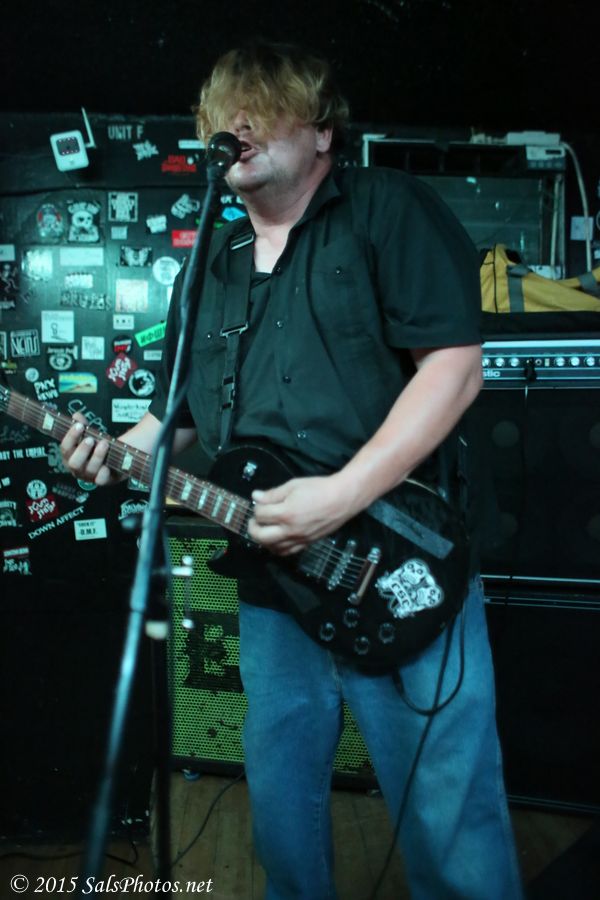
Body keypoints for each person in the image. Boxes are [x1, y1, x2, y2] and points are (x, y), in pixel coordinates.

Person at [61, 41, 524, 900]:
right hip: (274, 584)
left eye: (261, 110)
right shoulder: (212, 264)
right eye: (221, 117)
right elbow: (179, 417)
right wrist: (114, 452)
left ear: (321, 132)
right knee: (280, 814)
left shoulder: (387, 210)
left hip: (398, 560)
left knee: (449, 816)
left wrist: (341, 496)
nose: (234, 128)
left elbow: (455, 370)